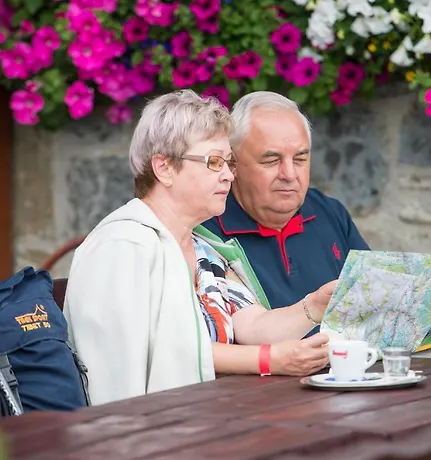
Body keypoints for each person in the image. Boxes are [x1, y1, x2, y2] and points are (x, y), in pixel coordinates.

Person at [63, 90, 339, 406]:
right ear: (164, 168)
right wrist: (267, 359)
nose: (228, 175)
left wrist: (313, 307)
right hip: (148, 425)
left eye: (229, 163)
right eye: (214, 162)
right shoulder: (122, 246)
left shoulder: (204, 248)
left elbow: (253, 326)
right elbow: (150, 352)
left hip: (209, 416)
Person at [201, 91, 431, 346]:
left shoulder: (328, 212)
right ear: (232, 164)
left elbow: (382, 301)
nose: (289, 174)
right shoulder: (206, 229)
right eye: (271, 161)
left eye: (300, 159)